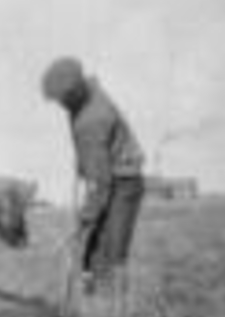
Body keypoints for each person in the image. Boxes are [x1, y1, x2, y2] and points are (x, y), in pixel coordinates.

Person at [41, 56, 146, 297]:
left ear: (74, 93)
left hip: (122, 183)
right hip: (112, 176)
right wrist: (84, 163)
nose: (59, 105)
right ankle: (93, 305)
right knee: (91, 253)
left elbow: (102, 185)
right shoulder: (86, 92)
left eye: (61, 99)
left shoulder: (92, 120)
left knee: (111, 256)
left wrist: (83, 220)